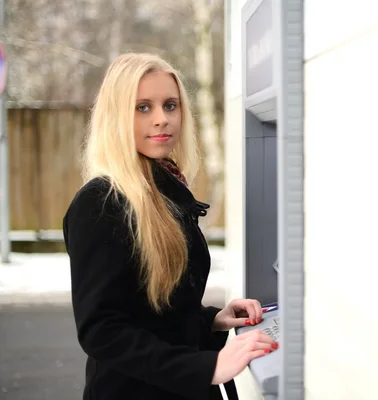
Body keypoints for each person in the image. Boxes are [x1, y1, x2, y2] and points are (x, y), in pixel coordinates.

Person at [62, 52, 277, 400]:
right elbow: (103, 330)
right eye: (143, 107)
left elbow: (154, 310)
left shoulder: (164, 188)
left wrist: (211, 320)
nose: (162, 119)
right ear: (116, 116)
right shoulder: (101, 203)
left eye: (171, 105)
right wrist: (207, 368)